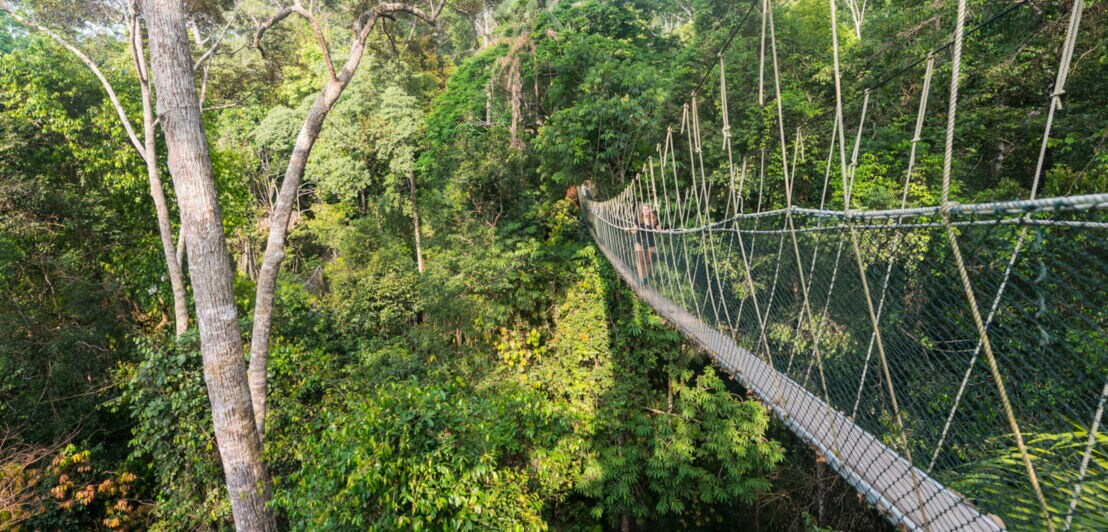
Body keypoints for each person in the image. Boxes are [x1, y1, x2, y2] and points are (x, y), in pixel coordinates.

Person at [632, 203, 658, 286]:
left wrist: (665, 231)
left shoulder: (654, 219)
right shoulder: (638, 219)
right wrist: (632, 230)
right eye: (644, 209)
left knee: (648, 261)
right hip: (640, 242)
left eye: (647, 209)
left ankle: (645, 277)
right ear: (642, 211)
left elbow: (658, 228)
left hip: (651, 243)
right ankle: (641, 279)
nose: (646, 210)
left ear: (650, 210)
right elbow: (635, 229)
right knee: (641, 261)